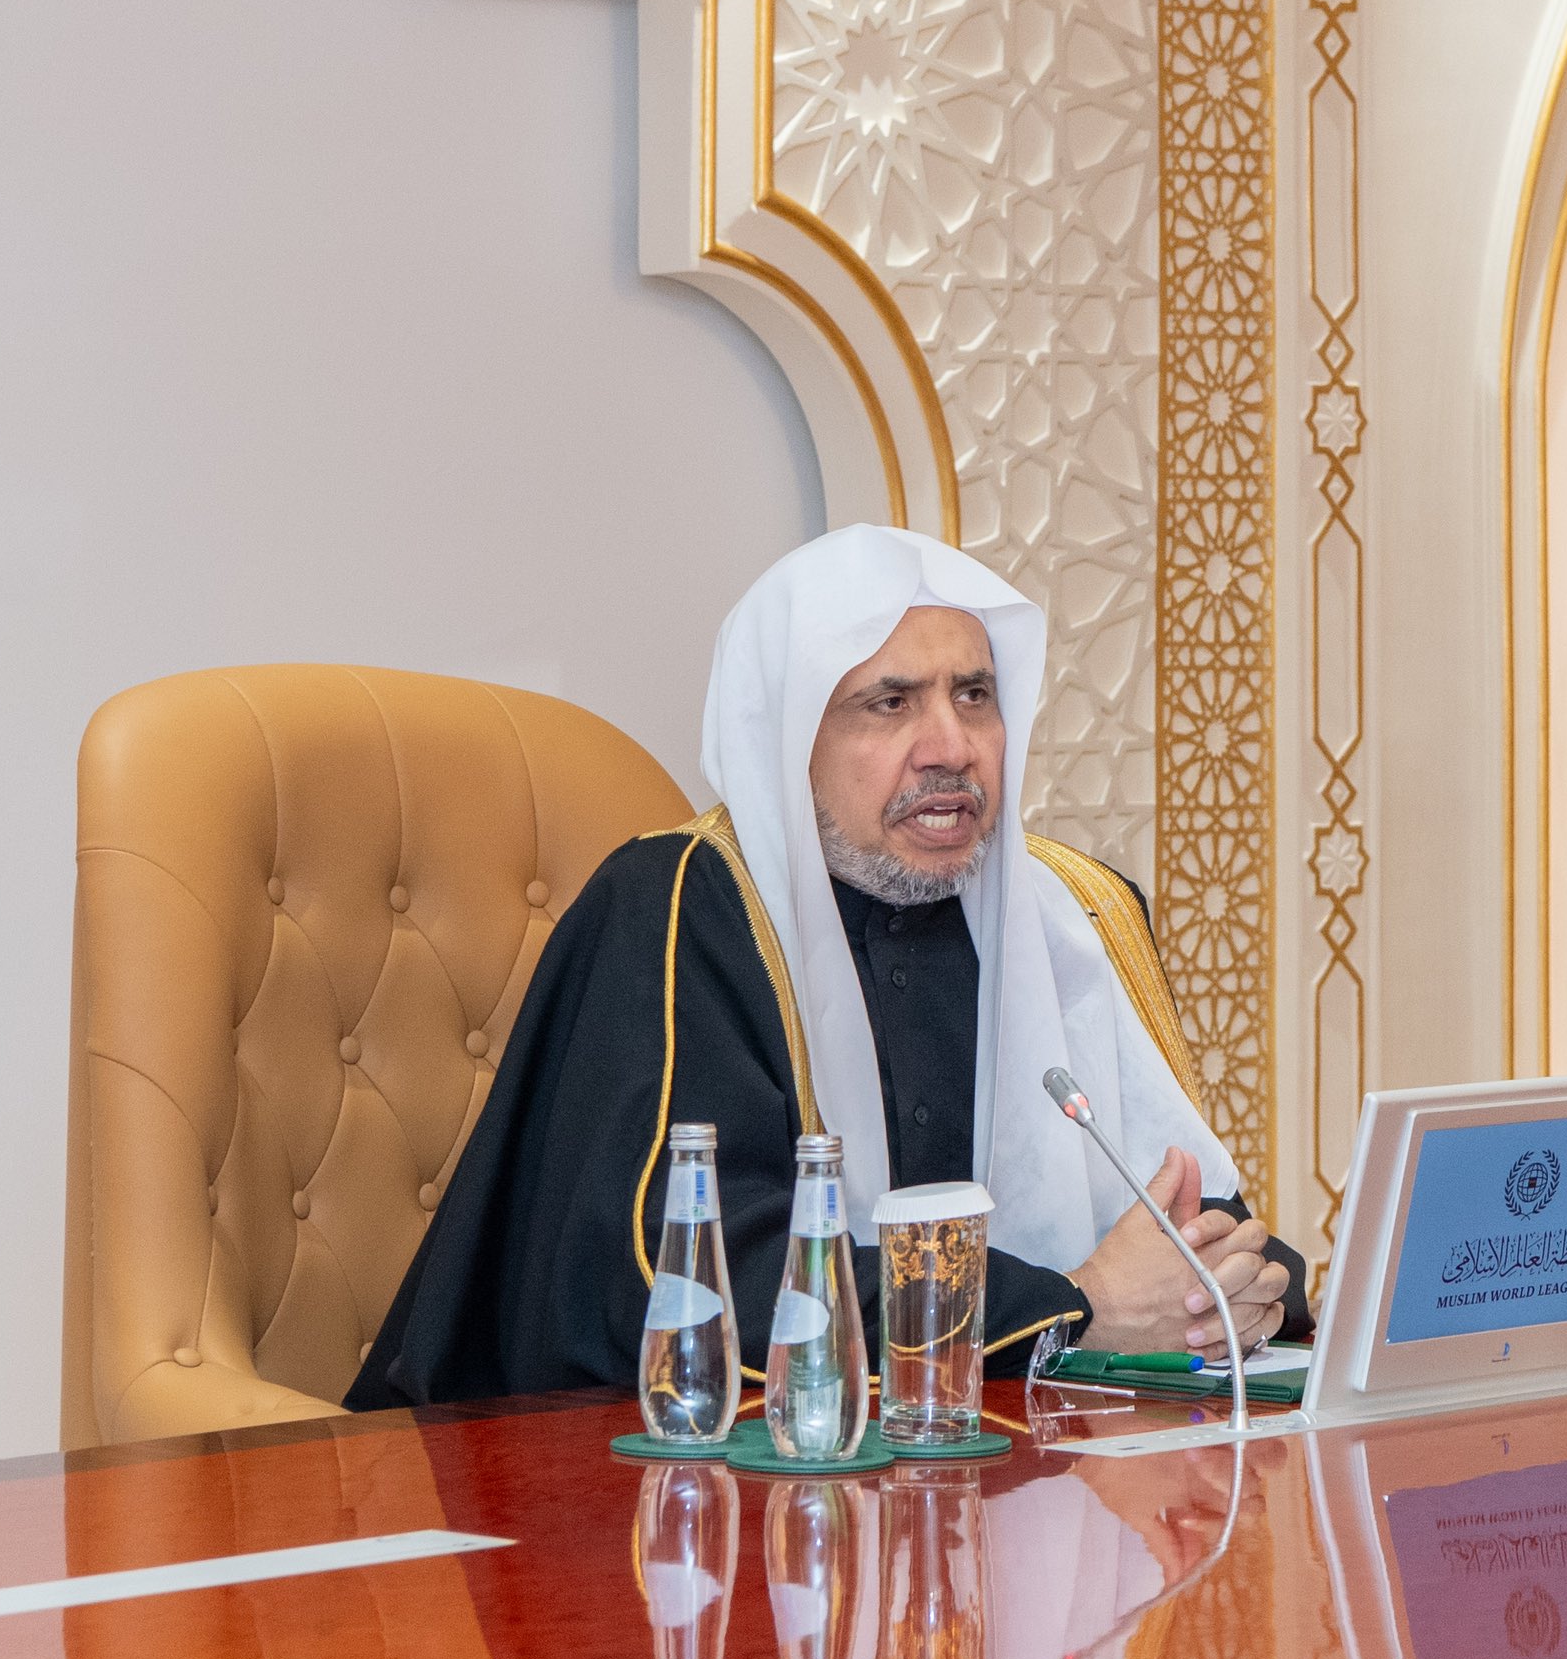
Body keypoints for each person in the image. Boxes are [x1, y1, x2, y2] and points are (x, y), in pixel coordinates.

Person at [348, 527, 1299, 1411]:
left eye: (975, 696)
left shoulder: (1076, 914)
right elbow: (701, 1287)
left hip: (997, 1476)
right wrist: (1069, 1309)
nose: (951, 748)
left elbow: (1197, 1228)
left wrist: (1232, 1293)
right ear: (791, 739)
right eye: (890, 704)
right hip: (674, 1507)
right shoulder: (680, 910)